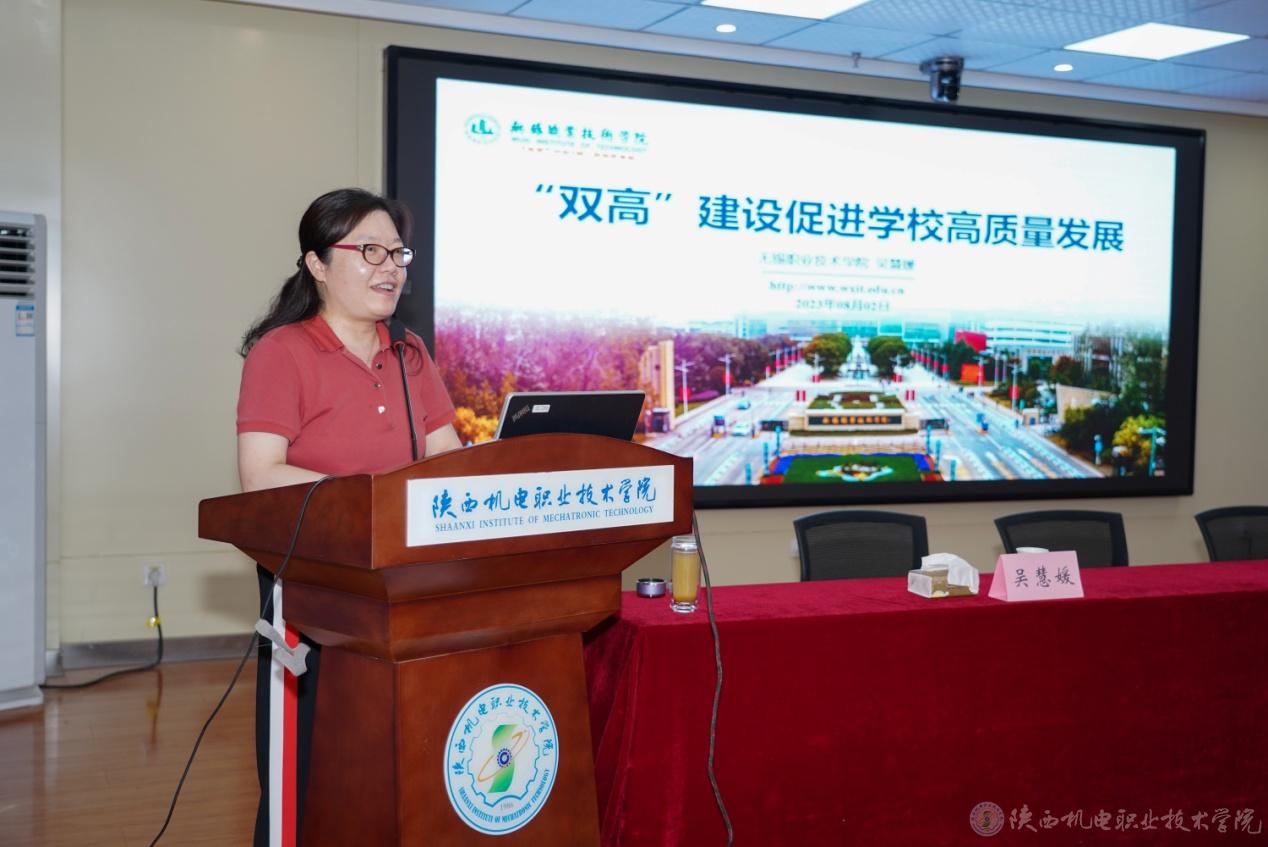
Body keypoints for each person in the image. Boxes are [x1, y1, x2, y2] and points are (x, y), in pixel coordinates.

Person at [235, 188, 460, 845]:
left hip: (405, 581)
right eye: (370, 251)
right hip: (314, 584)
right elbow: (261, 473)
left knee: (392, 763)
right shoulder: (282, 351)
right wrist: (371, 498)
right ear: (317, 263)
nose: (390, 267)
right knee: (310, 772)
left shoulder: (410, 352)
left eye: (397, 253)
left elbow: (448, 460)